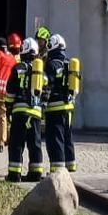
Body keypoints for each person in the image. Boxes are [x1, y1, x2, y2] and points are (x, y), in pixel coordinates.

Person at [5, 38, 47, 182]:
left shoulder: (18, 68)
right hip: (35, 112)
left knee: (17, 143)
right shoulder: (40, 72)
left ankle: (14, 174)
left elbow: (10, 91)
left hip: (20, 111)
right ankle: (36, 173)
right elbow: (45, 91)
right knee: (35, 143)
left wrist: (8, 107)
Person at [42, 33, 80, 173]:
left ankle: (57, 169)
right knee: (67, 136)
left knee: (55, 138)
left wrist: (42, 103)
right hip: (69, 106)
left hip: (55, 107)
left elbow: (47, 85)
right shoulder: (69, 64)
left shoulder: (51, 64)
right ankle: (71, 164)